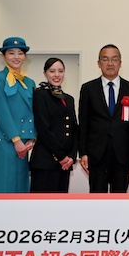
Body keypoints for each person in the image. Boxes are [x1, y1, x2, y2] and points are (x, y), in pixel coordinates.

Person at [78, 45, 129, 193]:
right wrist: (83, 153)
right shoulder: (88, 88)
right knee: (97, 197)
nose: (110, 63)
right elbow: (83, 122)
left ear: (120, 63)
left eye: (114, 59)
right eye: (105, 59)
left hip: (122, 154)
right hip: (97, 153)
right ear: (99, 63)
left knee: (120, 197)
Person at [0, 37, 35, 193]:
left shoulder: (30, 82)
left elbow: (33, 112)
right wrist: (16, 139)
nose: (16, 57)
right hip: (6, 141)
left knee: (21, 189)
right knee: (4, 188)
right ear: (3, 56)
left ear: (25, 57)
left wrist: (32, 138)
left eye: (20, 53)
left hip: (25, 144)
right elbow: (1, 111)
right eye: (11, 53)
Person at [30, 58, 78, 193]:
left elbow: (74, 129)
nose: (57, 75)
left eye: (60, 71)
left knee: (60, 208)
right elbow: (43, 129)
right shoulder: (40, 95)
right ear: (45, 73)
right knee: (41, 208)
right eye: (52, 71)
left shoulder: (68, 99)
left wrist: (71, 156)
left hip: (64, 164)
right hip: (45, 162)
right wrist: (61, 156)